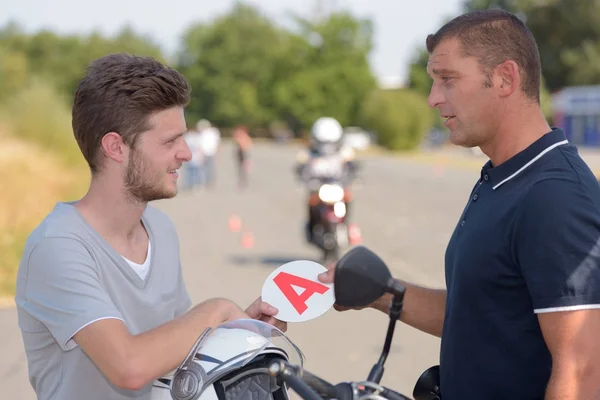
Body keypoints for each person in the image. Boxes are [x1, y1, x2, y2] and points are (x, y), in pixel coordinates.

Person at [319, 9, 600, 399]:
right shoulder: (502, 176)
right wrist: (380, 293)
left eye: (448, 80)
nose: (433, 98)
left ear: (506, 78)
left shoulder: (555, 195)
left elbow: (583, 371)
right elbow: (482, 310)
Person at [14, 53, 285, 400]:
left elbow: (174, 350)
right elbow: (128, 366)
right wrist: (216, 310)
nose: (186, 153)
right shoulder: (57, 247)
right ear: (116, 147)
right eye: (170, 141)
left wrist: (239, 325)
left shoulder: (160, 228)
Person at [296, 117, 358, 242]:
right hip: (318, 188)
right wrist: (304, 178)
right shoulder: (308, 154)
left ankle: (346, 225)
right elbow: (300, 169)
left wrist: (354, 176)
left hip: (337, 187)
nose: (327, 147)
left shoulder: (344, 153)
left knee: (348, 196)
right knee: (312, 200)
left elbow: (353, 168)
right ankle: (312, 228)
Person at [197, 119, 221, 188]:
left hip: (211, 153)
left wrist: (217, 153)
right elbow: (200, 145)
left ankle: (210, 182)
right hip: (205, 153)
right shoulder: (203, 133)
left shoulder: (213, 132)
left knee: (210, 168)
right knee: (205, 169)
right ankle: (206, 182)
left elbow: (217, 143)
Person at [232, 124, 253, 189]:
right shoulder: (240, 137)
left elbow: (248, 144)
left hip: (244, 153)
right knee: (240, 168)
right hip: (240, 153)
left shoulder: (244, 137)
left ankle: (243, 181)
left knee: (244, 168)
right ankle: (242, 180)